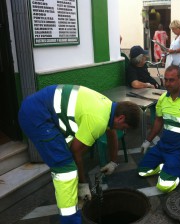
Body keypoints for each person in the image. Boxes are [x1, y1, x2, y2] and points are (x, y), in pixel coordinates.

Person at [18, 84, 140, 224]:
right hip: (37, 116)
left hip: (43, 109)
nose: (123, 131)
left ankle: (71, 194)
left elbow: (111, 133)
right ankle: (70, 220)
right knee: (66, 170)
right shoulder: (98, 120)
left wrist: (112, 162)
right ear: (121, 118)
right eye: (124, 128)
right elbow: (76, 151)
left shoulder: (109, 107)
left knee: (69, 152)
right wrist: (83, 184)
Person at [138, 65, 180, 193]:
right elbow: (158, 121)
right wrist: (147, 140)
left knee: (164, 186)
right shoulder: (163, 99)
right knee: (142, 171)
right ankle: (166, 166)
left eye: (172, 80)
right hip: (163, 146)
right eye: (166, 80)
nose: (167, 83)